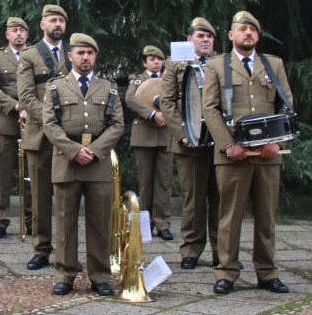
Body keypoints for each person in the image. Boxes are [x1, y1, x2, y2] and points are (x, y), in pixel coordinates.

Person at [202, 10, 293, 295]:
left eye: (253, 29)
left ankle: (267, 272)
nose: (248, 33)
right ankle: (226, 272)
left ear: (258, 35)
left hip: (267, 155)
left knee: (266, 217)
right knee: (229, 216)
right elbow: (210, 108)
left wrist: (277, 143)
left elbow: (286, 105)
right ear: (231, 35)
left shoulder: (273, 64)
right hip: (232, 155)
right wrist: (229, 144)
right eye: (242, 29)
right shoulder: (218, 66)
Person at [41, 33, 125, 295]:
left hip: (97, 162)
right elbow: (50, 125)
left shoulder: (108, 88)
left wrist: (95, 150)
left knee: (100, 222)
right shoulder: (55, 88)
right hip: (66, 161)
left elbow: (117, 125)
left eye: (89, 53)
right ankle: (65, 273)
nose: (85, 57)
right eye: (80, 53)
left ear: (95, 56)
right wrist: (75, 150)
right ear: (70, 56)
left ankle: (99, 275)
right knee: (65, 221)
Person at [16, 4, 69, 270]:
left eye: (60, 20)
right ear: (42, 24)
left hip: (69, 137)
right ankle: (41, 248)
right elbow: (25, 96)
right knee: (39, 196)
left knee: (66, 196)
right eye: (52, 20)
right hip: (39, 135)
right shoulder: (29, 56)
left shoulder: (75, 53)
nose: (57, 24)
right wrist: (50, 119)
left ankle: (66, 249)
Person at [163, 18, 220, 268]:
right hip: (189, 142)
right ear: (189, 40)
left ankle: (223, 251)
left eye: (209, 36)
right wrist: (183, 132)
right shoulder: (175, 64)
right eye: (200, 35)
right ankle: (190, 251)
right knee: (193, 199)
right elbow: (166, 102)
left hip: (219, 142)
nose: (205, 39)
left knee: (221, 199)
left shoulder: (223, 63)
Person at [0, 17, 27, 240]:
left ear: (27, 35)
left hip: (33, 122)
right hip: (4, 122)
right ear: (7, 34)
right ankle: (0, 220)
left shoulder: (35, 56)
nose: (18, 34)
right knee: (1, 174)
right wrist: (15, 105)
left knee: (32, 173)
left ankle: (31, 219)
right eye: (14, 30)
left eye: (22, 30)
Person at [125, 45, 175, 241]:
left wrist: (166, 114)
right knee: (145, 182)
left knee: (164, 181)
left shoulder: (169, 80)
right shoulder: (137, 79)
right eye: (151, 59)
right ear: (145, 62)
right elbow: (130, 99)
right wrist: (152, 114)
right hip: (144, 134)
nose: (155, 62)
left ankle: (162, 223)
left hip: (165, 135)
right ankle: (144, 225)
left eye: (158, 59)